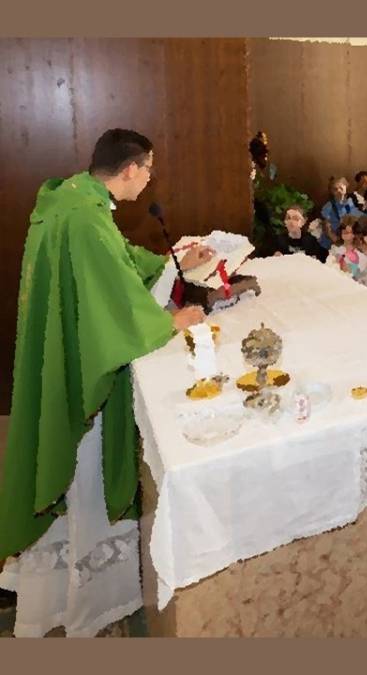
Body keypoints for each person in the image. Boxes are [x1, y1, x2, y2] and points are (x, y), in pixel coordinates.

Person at [0, 128, 211, 637]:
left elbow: (115, 265)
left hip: (62, 349)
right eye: (149, 169)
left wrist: (170, 262)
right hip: (82, 364)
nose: (150, 179)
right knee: (84, 473)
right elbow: (111, 304)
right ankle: (86, 598)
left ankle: (57, 589)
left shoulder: (76, 199)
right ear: (131, 168)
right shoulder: (86, 219)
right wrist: (172, 322)